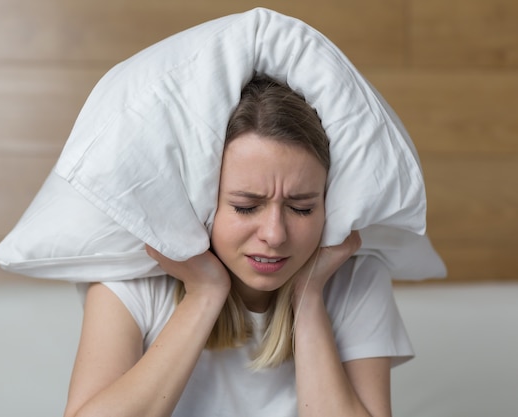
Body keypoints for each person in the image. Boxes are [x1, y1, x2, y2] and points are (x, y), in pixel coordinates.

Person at [63, 77, 412, 417]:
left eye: (302, 208)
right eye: (246, 206)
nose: (275, 235)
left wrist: (309, 297)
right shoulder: (132, 281)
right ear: (202, 203)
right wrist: (204, 294)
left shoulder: (355, 278)